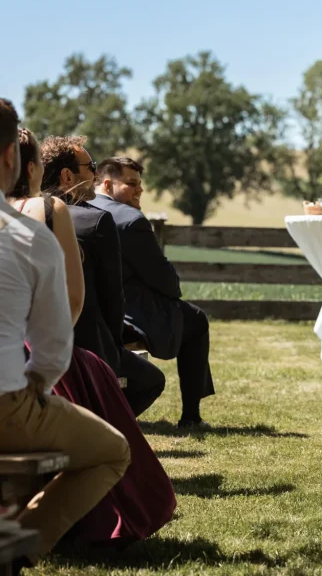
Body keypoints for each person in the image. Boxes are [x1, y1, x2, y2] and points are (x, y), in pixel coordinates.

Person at [7, 130, 175, 545]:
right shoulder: (51, 211)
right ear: (29, 167)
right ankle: (28, 540)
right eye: (88, 168)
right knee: (114, 447)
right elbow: (72, 303)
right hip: (47, 359)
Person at [0, 98, 130, 572]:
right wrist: (33, 387)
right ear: (12, 158)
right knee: (113, 452)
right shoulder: (31, 236)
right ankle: (15, 546)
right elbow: (55, 345)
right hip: (7, 404)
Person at [39, 135, 165, 417]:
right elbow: (112, 297)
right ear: (67, 175)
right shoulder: (94, 221)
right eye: (90, 166)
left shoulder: (23, 213)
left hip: (31, 342)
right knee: (152, 380)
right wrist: (114, 350)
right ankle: (101, 430)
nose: (96, 174)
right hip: (88, 344)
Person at [91, 157, 215, 428]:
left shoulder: (75, 208)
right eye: (132, 184)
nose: (139, 191)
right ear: (108, 183)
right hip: (125, 317)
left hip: (88, 312)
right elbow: (166, 282)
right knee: (196, 320)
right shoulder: (131, 221)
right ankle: (191, 416)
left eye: (140, 185)